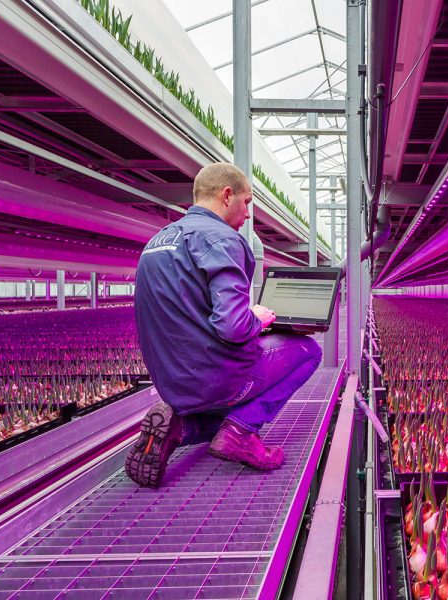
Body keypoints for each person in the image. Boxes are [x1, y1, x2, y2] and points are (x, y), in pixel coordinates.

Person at [125, 162, 322, 488]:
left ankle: (180, 428)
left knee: (222, 408)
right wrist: (256, 320)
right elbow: (232, 327)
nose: (247, 215)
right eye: (246, 203)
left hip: (171, 383)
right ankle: (242, 432)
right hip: (216, 378)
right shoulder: (223, 240)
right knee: (307, 350)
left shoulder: (157, 241)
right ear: (226, 195)